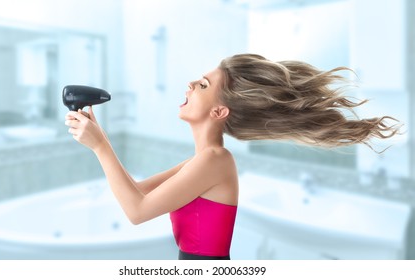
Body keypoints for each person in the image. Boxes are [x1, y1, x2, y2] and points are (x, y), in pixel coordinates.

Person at [65, 53, 400, 260]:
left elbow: (136, 212)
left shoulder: (214, 161)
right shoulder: (203, 160)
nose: (191, 85)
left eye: (203, 85)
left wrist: (99, 147)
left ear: (220, 110)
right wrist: (101, 136)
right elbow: (138, 193)